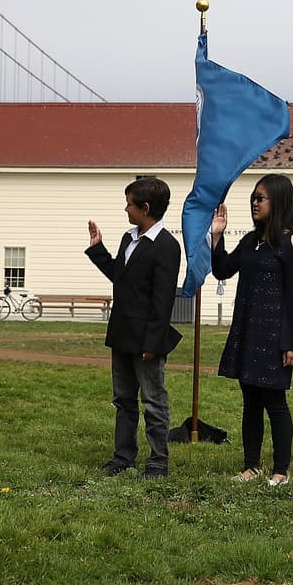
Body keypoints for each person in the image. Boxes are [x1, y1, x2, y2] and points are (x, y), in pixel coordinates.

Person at [210, 173, 293, 487]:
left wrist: (291, 344)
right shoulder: (250, 241)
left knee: (275, 403)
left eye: (260, 198)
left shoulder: (291, 243)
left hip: (275, 336)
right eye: (253, 197)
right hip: (248, 333)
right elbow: (223, 269)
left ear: (277, 201)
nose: (254, 202)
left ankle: (281, 471)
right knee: (250, 402)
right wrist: (217, 236)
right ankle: (251, 467)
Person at [85, 177, 182, 479]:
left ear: (145, 207)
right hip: (122, 334)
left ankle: (157, 462)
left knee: (153, 402)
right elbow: (121, 276)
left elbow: (163, 299)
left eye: (129, 203)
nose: (125, 209)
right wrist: (98, 250)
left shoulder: (166, 246)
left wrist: (153, 344)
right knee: (123, 400)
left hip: (146, 341)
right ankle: (123, 456)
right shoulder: (129, 238)